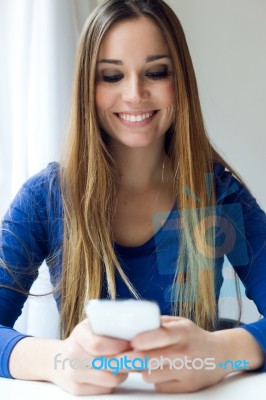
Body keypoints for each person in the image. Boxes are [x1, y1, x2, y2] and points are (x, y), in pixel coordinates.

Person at [0, 0, 265, 395]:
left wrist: (216, 354)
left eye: (156, 72)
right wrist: (59, 361)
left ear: (182, 80)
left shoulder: (216, 193)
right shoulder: (46, 199)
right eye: (111, 76)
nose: (135, 94)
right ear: (87, 87)